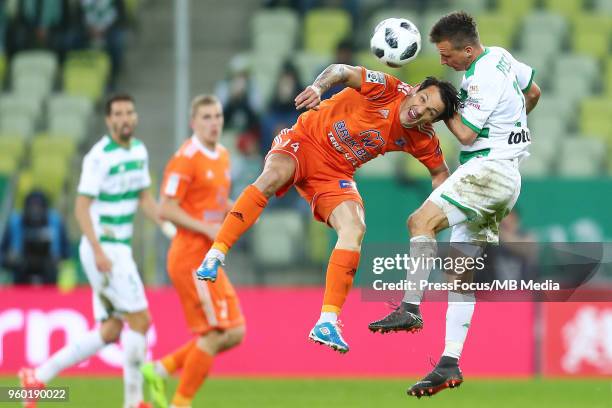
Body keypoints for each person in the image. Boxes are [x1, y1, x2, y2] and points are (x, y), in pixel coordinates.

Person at [197, 63, 459, 353]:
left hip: (335, 174)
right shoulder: (387, 88)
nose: (421, 110)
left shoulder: (422, 138)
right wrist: (318, 88)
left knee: (355, 228)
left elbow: (440, 175)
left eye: (431, 112)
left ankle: (327, 321)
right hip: (304, 141)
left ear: (433, 121)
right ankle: (216, 253)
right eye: (423, 100)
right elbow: (342, 71)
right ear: (416, 89)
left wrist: (446, 206)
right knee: (270, 178)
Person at [368, 11, 541, 397]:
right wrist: (510, 128)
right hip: (507, 175)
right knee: (459, 274)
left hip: (487, 170)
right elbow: (533, 93)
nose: (444, 61)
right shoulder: (502, 56)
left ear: (467, 49)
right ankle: (448, 363)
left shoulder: (480, 75)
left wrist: (442, 106)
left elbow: (464, 134)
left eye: (447, 55)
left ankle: (410, 306)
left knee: (419, 222)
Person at [19, 94, 163, 408]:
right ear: (109, 120)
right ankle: (134, 402)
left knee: (111, 330)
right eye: (118, 114)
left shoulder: (139, 151)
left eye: (129, 112)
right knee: (141, 320)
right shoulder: (99, 157)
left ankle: (38, 376)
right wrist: (98, 251)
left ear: (134, 117)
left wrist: (169, 226)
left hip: (118, 248)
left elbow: (145, 199)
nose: (125, 118)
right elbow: (81, 208)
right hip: (105, 249)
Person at [140, 95, 246, 408]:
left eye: (217, 116)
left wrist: (239, 209)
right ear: (193, 123)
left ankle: (160, 369)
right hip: (190, 257)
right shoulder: (185, 158)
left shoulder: (224, 156)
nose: (214, 123)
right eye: (206, 118)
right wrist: (205, 228)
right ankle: (180, 403)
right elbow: (166, 210)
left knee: (236, 331)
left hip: (210, 258)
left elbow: (214, 203)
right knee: (215, 334)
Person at [1, 190, 70, 284]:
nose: (35, 211)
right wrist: (11, 258)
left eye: (38, 207)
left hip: (48, 271)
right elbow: (3, 254)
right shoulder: (15, 223)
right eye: (32, 207)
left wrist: (57, 258)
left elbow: (66, 252)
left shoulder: (55, 223)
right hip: (21, 271)